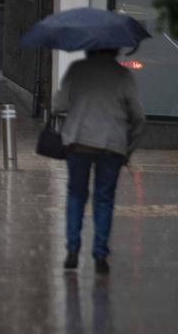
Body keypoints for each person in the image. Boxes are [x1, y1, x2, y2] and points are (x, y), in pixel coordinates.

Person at [53, 49, 145, 273]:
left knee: (76, 194)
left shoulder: (78, 70)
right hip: (112, 145)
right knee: (104, 199)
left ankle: (73, 249)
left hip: (79, 142)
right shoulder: (122, 76)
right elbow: (139, 116)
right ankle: (100, 254)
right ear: (115, 50)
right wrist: (128, 148)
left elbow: (58, 105)